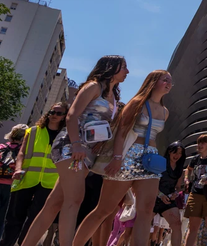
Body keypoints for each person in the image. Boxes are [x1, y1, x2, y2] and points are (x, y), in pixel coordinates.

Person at [21, 56, 128, 246]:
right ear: (111, 68)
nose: (127, 72)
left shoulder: (113, 96)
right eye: (124, 68)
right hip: (72, 145)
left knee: (54, 203)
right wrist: (77, 143)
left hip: (89, 152)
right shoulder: (93, 86)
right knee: (74, 199)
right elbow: (72, 115)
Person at [73, 70, 173, 246]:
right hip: (128, 156)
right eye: (165, 79)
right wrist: (117, 158)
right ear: (153, 82)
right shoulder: (137, 103)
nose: (169, 83)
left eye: (170, 81)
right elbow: (121, 132)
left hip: (151, 161)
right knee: (104, 209)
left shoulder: (165, 112)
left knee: (146, 210)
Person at [0, 103, 67, 246]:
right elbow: (21, 153)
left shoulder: (66, 136)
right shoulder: (33, 131)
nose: (54, 115)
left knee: (35, 219)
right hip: (26, 178)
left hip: (49, 182)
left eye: (59, 113)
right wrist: (18, 169)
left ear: (64, 117)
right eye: (52, 111)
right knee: (14, 218)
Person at [155, 142, 188, 246]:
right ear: (169, 151)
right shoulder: (161, 163)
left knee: (177, 224)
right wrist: (160, 194)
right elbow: (152, 182)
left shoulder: (179, 169)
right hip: (154, 195)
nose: (177, 155)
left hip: (168, 199)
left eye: (180, 153)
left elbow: (178, 187)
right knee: (146, 225)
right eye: (175, 152)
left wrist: (175, 193)